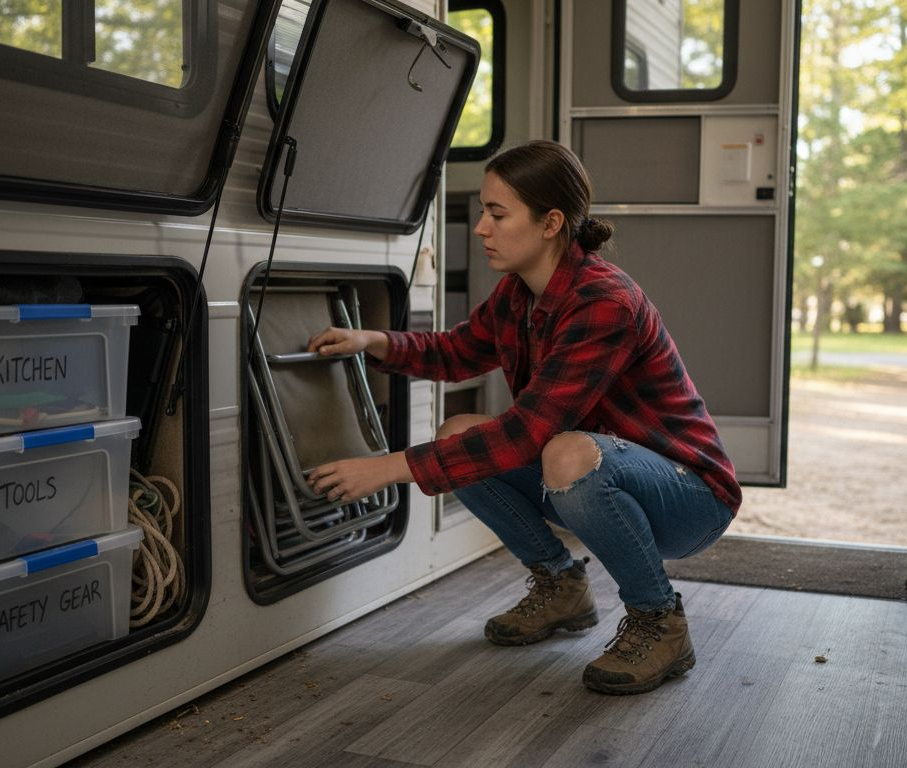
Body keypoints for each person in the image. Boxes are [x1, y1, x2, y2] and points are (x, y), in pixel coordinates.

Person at [305, 140, 741, 695]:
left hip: (690, 495)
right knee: (459, 436)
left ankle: (660, 621)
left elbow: (527, 432)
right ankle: (561, 587)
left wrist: (389, 469)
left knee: (562, 450)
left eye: (497, 213)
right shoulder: (519, 293)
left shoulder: (604, 300)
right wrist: (373, 340)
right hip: (601, 472)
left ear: (550, 222)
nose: (482, 227)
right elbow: (457, 352)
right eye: (484, 212)